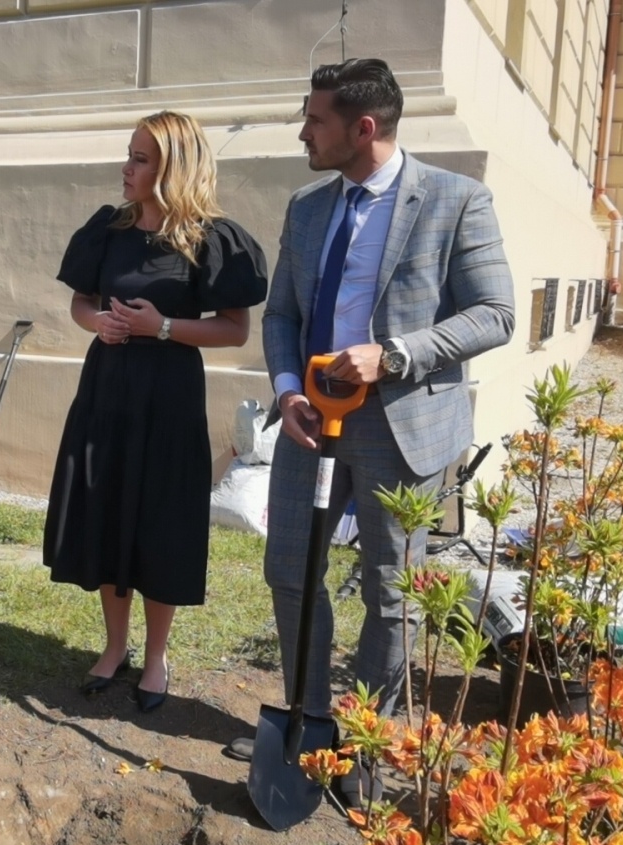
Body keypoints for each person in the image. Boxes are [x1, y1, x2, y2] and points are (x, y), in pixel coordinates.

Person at [229, 59, 515, 805]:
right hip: (311, 423)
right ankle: (306, 723)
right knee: (290, 570)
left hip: (402, 426)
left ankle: (363, 743)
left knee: (391, 592)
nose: (303, 132)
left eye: (314, 119)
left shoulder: (456, 200)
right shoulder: (307, 206)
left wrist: (393, 356)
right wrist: (288, 389)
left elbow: (495, 314)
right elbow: (282, 313)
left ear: (362, 128)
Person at [45, 111, 269, 714]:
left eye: (140, 159)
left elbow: (234, 329)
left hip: (168, 397)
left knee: (159, 521)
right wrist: (98, 323)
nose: (126, 167)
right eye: (129, 154)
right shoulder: (108, 229)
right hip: (107, 388)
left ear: (173, 167)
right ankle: (114, 647)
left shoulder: (211, 239)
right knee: (108, 509)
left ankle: (156, 657)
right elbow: (81, 302)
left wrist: (162, 326)